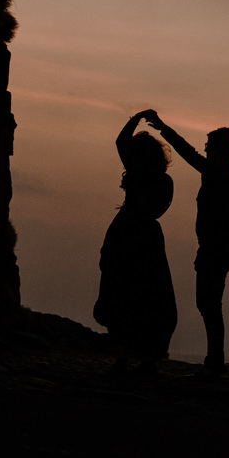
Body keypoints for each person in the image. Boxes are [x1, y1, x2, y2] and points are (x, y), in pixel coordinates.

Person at [143, 110, 229, 376]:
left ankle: (215, 360)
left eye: (209, 145)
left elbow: (187, 152)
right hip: (215, 247)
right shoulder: (220, 171)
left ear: (219, 149)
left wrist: (164, 128)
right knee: (209, 303)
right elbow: (191, 153)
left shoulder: (220, 172)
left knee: (209, 303)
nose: (205, 148)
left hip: (217, 248)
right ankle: (215, 358)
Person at [91, 111, 178, 373]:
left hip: (126, 231)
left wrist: (137, 117)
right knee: (151, 295)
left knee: (120, 291)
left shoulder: (138, 174)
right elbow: (159, 210)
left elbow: (120, 141)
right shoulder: (163, 180)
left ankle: (122, 355)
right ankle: (148, 357)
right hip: (146, 235)